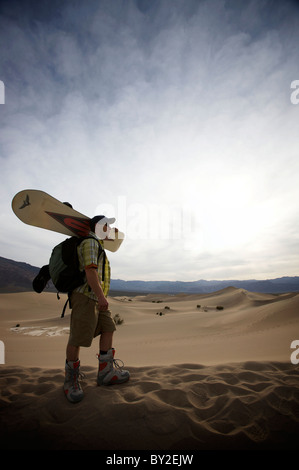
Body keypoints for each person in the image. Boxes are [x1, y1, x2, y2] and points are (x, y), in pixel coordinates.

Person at [63, 215, 130, 403]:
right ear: (100, 227)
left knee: (109, 328)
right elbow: (90, 271)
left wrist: (101, 297)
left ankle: (106, 373)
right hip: (86, 296)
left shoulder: (97, 243)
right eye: (107, 226)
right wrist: (100, 296)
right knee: (77, 338)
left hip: (97, 298)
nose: (110, 229)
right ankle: (70, 381)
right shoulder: (91, 243)